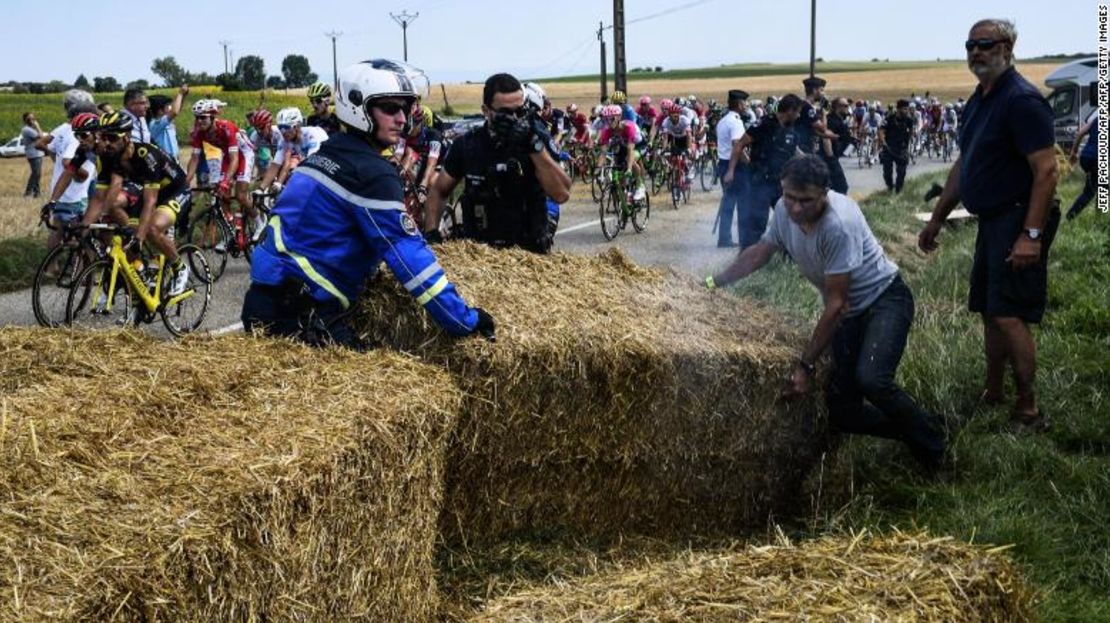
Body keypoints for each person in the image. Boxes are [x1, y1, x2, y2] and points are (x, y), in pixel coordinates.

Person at [707, 155, 946, 470]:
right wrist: (715, 283)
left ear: (824, 194)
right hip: (849, 313)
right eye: (789, 197)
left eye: (805, 201)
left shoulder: (838, 224)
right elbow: (761, 252)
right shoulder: (783, 209)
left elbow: (837, 306)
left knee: (872, 380)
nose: (794, 208)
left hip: (884, 300)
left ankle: (936, 451)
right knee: (842, 412)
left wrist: (805, 366)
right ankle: (922, 428)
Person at [243, 58, 495, 348]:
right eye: (389, 108)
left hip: (266, 300)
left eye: (405, 107)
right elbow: (409, 257)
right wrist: (465, 320)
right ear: (357, 108)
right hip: (301, 313)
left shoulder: (328, 152)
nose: (401, 118)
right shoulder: (370, 172)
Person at [918, 18, 1059, 432]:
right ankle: (993, 392)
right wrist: (937, 218)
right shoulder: (980, 99)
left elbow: (1047, 171)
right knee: (989, 309)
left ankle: (1028, 409)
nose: (977, 51)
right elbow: (966, 164)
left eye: (986, 44)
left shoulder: (1022, 101)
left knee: (1009, 313)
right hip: (993, 219)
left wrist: (1030, 235)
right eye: (970, 45)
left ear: (1008, 48)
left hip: (1018, 216)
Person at [423, 72, 571, 253]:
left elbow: (561, 194)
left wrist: (533, 147)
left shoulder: (537, 139)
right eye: (505, 113)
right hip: (480, 254)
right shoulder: (467, 145)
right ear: (486, 111)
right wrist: (431, 234)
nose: (514, 119)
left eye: (519, 112)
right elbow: (439, 190)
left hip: (529, 254)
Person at [81, 111, 192, 295]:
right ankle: (139, 295)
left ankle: (179, 267)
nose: (106, 143)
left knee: (151, 228)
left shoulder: (145, 155)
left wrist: (139, 239)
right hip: (148, 191)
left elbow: (150, 201)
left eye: (111, 138)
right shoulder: (108, 157)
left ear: (126, 137)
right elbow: (100, 198)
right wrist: (85, 227)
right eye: (103, 137)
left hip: (175, 191)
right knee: (127, 249)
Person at [734, 93, 802, 248]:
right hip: (760, 182)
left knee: (789, 219)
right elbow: (739, 145)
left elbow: (795, 151)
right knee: (757, 224)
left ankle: (786, 257)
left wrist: (811, 162)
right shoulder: (764, 124)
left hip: (781, 183)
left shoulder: (790, 129)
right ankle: (748, 259)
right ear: (790, 110)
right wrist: (745, 167)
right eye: (797, 112)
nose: (798, 116)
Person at [258, 107, 329, 191]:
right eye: (280, 128)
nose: (283, 132)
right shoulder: (285, 140)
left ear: (296, 126)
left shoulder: (312, 134)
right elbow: (275, 165)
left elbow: (312, 164)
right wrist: (261, 188)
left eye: (286, 128)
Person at [714, 89, 750, 248]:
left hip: (723, 163)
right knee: (743, 202)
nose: (747, 105)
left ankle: (724, 238)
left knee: (728, 202)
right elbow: (737, 146)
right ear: (739, 104)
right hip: (734, 166)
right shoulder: (736, 122)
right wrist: (749, 163)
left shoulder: (723, 121)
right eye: (745, 102)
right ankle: (744, 239)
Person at [1066, 109, 1101, 220]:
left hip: (1086, 157)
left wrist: (1074, 152)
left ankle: (1099, 217)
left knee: (1098, 188)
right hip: (1097, 159)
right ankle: (1070, 217)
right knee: (1092, 191)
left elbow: (1081, 133)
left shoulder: (1097, 119)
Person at [877, 100, 915, 193]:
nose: (907, 111)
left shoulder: (909, 120)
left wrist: (908, 141)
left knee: (901, 172)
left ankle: (898, 190)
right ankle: (890, 186)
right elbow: (881, 130)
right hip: (889, 147)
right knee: (887, 172)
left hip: (901, 149)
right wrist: (883, 142)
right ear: (898, 109)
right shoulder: (889, 118)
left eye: (907, 109)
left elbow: (911, 131)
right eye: (905, 109)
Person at [148, 84, 188, 162]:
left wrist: (184, 96)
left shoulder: (166, 121)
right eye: (168, 106)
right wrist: (180, 93)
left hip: (174, 159)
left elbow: (177, 110)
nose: (170, 108)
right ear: (160, 110)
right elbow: (175, 112)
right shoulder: (155, 124)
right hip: (165, 162)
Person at [21, 112, 44, 198]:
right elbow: (41, 136)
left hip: (38, 154)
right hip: (33, 154)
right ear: (25, 120)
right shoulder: (27, 130)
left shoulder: (31, 129)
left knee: (37, 174)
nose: (32, 121)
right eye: (29, 119)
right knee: (35, 174)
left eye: (33, 118)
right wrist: (38, 126)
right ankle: (28, 192)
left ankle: (36, 193)